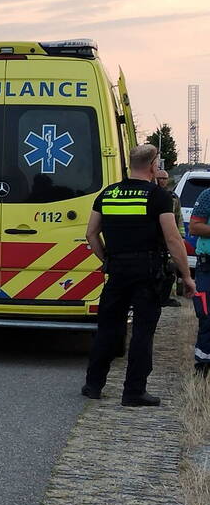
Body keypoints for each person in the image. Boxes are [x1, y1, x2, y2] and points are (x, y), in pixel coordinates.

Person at [82, 144, 195, 406]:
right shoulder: (158, 196)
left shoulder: (108, 194)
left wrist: (107, 259)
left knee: (108, 329)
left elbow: (91, 234)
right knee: (143, 331)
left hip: (117, 271)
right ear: (154, 164)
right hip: (147, 272)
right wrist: (186, 276)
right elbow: (172, 239)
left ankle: (94, 384)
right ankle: (134, 391)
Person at [185, 186, 210, 374]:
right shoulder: (208, 195)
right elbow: (194, 227)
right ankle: (204, 366)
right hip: (208, 265)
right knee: (207, 316)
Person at [155, 169, 183, 307]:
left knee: (171, 268)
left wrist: (180, 236)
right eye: (160, 178)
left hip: (169, 237)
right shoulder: (151, 194)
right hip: (155, 239)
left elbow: (178, 218)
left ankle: (168, 297)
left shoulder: (173, 197)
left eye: (165, 178)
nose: (163, 181)